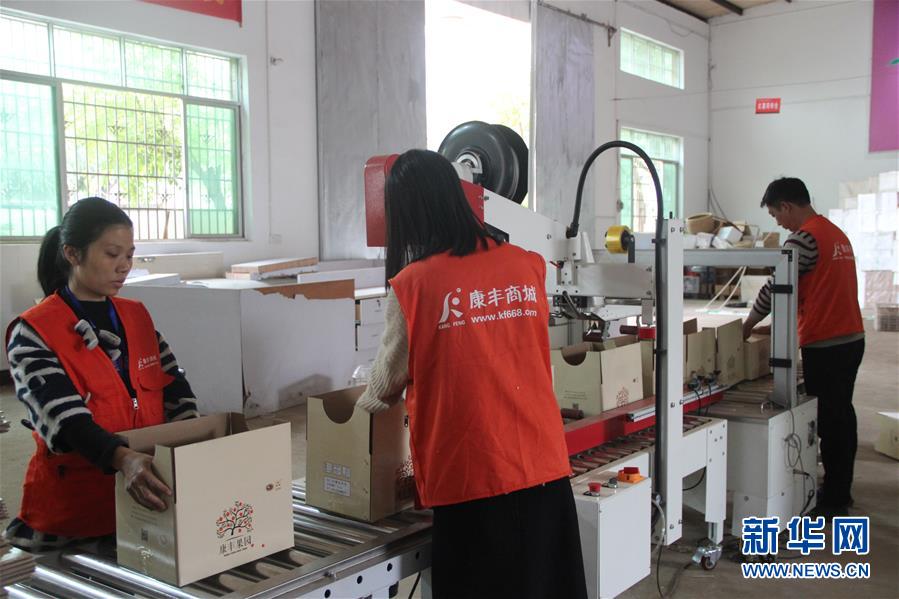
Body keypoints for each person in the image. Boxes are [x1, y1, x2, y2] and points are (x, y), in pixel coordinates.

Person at [355, 150, 587, 599]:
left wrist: (347, 428)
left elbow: (384, 386)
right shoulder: (527, 265)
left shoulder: (415, 285)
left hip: (470, 478)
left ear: (406, 212)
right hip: (543, 467)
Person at [4, 197, 199, 551]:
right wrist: (124, 459)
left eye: (129, 255)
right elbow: (64, 420)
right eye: (112, 254)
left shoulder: (136, 317)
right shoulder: (34, 331)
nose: (123, 266)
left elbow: (175, 388)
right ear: (72, 254)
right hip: (73, 516)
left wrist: (193, 442)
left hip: (147, 502)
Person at [742, 177, 864, 518]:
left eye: (776, 215)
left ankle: (835, 500)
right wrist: (778, 325)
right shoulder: (833, 233)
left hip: (827, 344)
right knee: (842, 416)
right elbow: (818, 288)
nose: (778, 223)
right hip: (849, 338)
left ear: (787, 206)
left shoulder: (803, 239)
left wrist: (748, 323)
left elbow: (775, 286)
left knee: (830, 422)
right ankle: (840, 487)